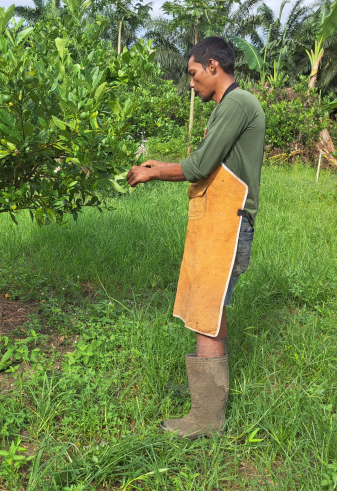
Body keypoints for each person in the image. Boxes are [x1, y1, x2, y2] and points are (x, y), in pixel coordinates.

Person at [126, 36, 265, 439]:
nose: (191, 82)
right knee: (209, 310)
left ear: (213, 66)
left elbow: (202, 164)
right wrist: (162, 164)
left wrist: (155, 170)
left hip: (229, 221)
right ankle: (206, 399)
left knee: (207, 313)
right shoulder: (231, 106)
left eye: (192, 74)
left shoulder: (237, 104)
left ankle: (207, 420)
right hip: (219, 219)